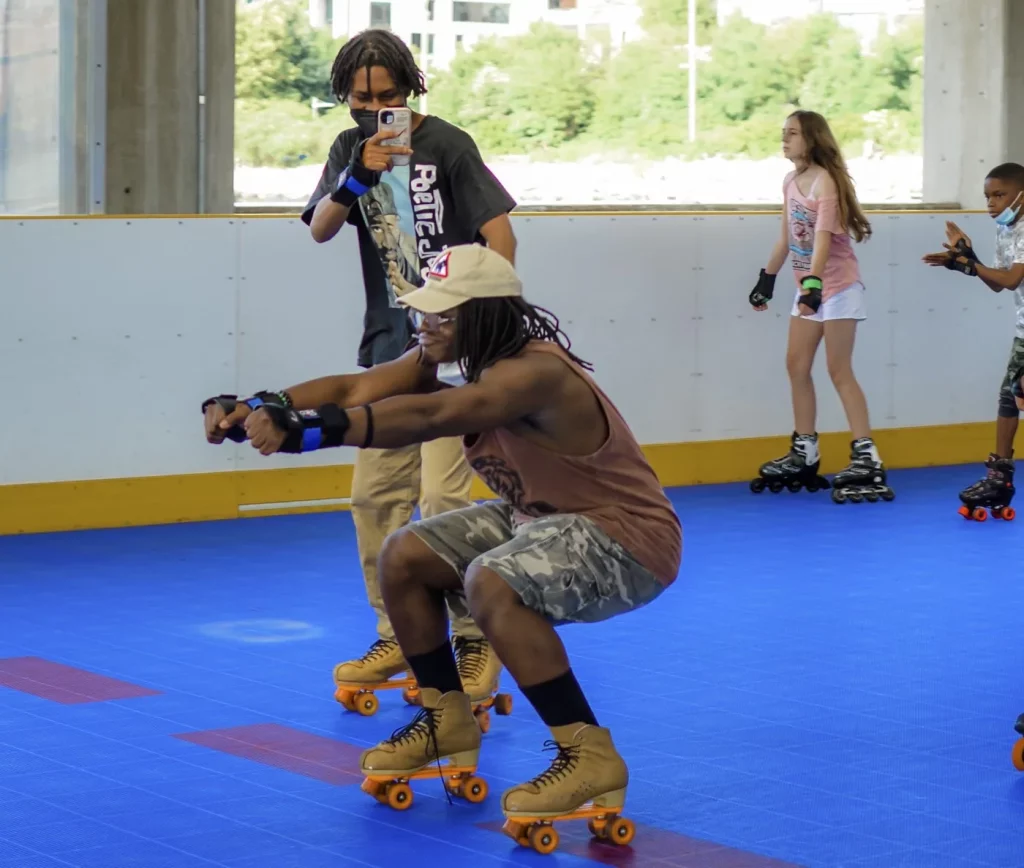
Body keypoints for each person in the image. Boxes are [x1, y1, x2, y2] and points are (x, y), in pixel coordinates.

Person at [236, 243, 682, 836]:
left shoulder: (533, 373)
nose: (426, 326)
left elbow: (428, 418)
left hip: (626, 536)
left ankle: (589, 754)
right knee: (407, 555)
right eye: (425, 312)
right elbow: (355, 389)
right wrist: (262, 405)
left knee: (491, 582)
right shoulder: (454, 354)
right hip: (539, 516)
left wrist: (308, 436)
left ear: (483, 316)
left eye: (442, 315)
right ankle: (446, 721)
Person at [300, 28, 518, 699]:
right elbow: (320, 227)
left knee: (445, 495)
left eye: (386, 96)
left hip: (454, 354)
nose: (373, 110)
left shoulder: (449, 145)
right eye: (360, 99)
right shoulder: (347, 150)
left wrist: (486, 319)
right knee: (373, 495)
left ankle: (474, 636)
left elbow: (500, 231)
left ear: (411, 87)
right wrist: (357, 174)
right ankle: (397, 628)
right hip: (387, 349)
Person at [748, 110, 892, 504]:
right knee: (796, 365)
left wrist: (812, 287)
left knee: (837, 368)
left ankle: (866, 455)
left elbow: (824, 240)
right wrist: (767, 279)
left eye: (792, 133)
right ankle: (805, 450)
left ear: (811, 139)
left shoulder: (826, 183)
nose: (785, 139)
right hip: (807, 286)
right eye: (784, 133)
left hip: (838, 287)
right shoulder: (791, 181)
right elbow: (787, 237)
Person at [922, 162, 1024, 518]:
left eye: (1000, 195)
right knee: (1009, 399)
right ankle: (999, 478)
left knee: (1020, 392)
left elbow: (1011, 280)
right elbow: (996, 282)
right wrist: (966, 261)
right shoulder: (1006, 231)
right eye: (988, 196)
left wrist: (968, 262)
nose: (992, 203)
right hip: (1023, 329)